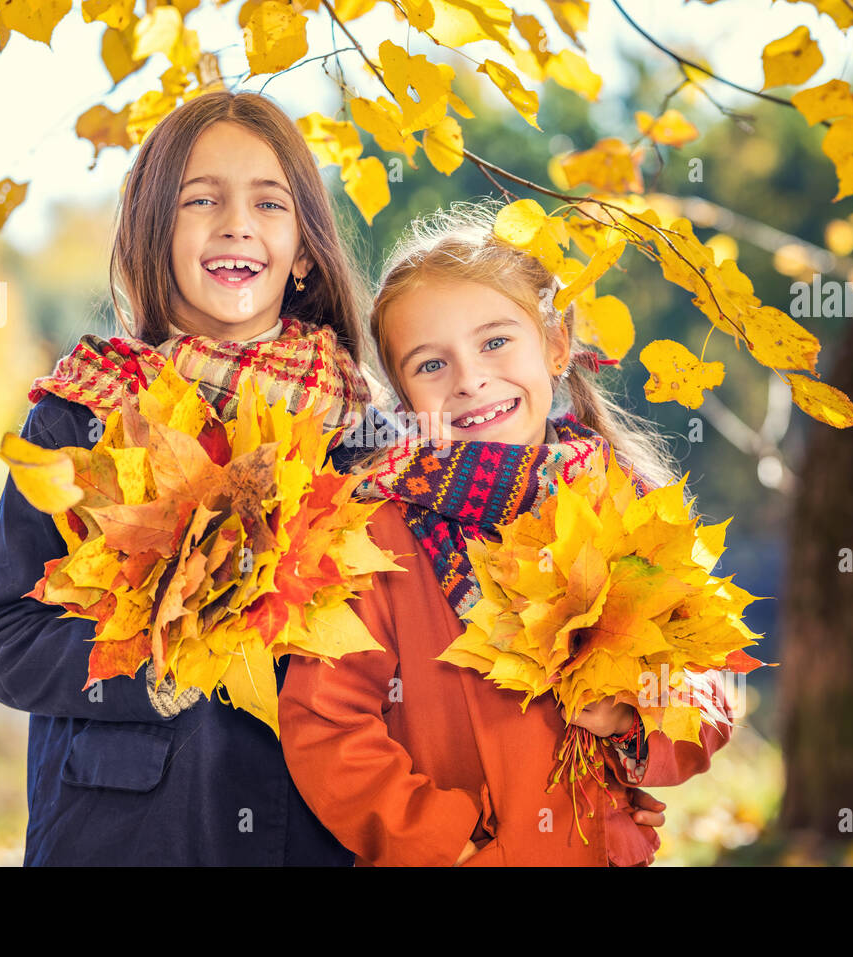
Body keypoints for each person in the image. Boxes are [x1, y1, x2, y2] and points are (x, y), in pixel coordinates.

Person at [0, 91, 380, 865]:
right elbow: (2, 641)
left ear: (306, 250)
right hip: (124, 835)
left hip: (308, 833)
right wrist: (147, 668)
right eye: (201, 199)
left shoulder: (360, 434)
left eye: (268, 201)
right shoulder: (80, 415)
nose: (236, 221)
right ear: (153, 232)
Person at [279, 204, 734, 866]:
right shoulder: (377, 532)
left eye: (495, 342)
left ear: (554, 343)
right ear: (403, 397)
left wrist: (634, 721)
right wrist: (447, 843)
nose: (469, 380)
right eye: (431, 365)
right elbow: (326, 724)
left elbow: (708, 680)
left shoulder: (624, 505)